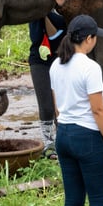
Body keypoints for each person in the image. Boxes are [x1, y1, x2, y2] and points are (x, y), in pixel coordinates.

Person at [50, 14, 103, 206]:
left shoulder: (56, 65)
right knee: (99, 203)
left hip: (64, 134)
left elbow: (57, 108)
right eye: (94, 38)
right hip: (88, 136)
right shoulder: (90, 68)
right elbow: (98, 110)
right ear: (88, 39)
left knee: (73, 200)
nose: (95, 42)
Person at [28, 9, 67, 158]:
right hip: (40, 60)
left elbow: (58, 36)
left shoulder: (66, 9)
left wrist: (45, 15)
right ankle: (49, 146)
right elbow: (37, 37)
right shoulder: (35, 12)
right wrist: (41, 14)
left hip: (62, 59)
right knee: (46, 106)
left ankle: (62, 144)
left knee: (62, 104)